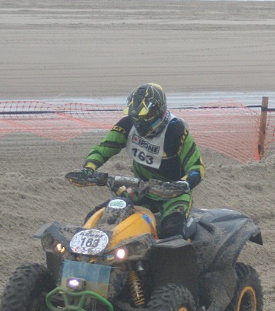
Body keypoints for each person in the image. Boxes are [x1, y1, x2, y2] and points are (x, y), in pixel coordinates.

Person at [80, 83, 205, 238]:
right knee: (99, 216)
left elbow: (196, 166)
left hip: (173, 194)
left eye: (145, 119)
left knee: (172, 231)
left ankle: (175, 260)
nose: (140, 124)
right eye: (137, 119)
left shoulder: (176, 131)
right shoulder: (127, 125)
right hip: (141, 189)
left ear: (159, 113)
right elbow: (103, 149)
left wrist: (183, 184)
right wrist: (89, 168)